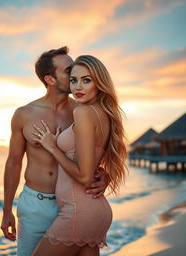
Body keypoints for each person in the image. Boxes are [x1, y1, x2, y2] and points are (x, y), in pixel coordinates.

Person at [0, 47, 109, 256]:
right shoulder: (24, 114)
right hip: (36, 205)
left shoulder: (82, 111)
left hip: (74, 203)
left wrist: (106, 176)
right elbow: (13, 162)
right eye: (69, 71)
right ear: (50, 79)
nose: (75, 73)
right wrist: (6, 210)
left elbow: (98, 152)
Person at [31, 55, 127, 256]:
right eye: (73, 80)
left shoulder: (83, 113)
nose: (78, 87)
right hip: (95, 212)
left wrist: (52, 147)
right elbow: (92, 163)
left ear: (99, 82)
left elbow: (84, 176)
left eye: (86, 80)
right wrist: (105, 175)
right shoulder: (103, 113)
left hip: (79, 212)